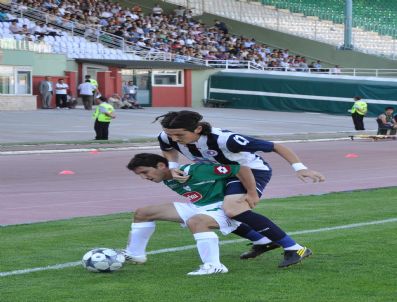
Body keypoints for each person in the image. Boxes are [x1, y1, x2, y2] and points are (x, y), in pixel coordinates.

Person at [155, 111, 324, 265]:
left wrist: (300, 168)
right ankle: (262, 242)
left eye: (179, 134)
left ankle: (295, 248)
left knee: (233, 209)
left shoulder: (225, 139)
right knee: (209, 211)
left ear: (198, 129)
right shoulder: (166, 136)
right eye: (171, 135)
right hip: (223, 173)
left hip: (251, 172)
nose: (175, 138)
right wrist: (173, 166)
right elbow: (168, 149)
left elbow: (276, 147)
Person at [124, 153, 312, 275]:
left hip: (221, 207)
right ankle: (135, 254)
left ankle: (214, 266)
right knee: (143, 213)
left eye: (145, 172)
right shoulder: (169, 177)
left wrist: (251, 193)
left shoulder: (195, 171)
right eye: (139, 175)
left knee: (197, 222)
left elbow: (239, 169)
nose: (144, 177)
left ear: (160, 165)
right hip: (198, 205)